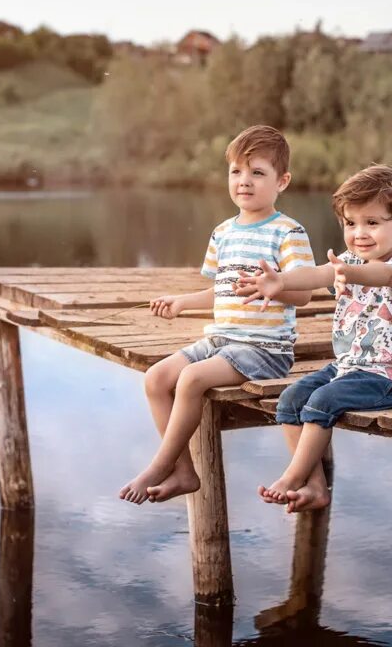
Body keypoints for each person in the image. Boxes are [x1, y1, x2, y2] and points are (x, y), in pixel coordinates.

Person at [119, 125, 316, 504]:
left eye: (257, 173)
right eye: (236, 172)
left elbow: (305, 294)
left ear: (282, 181)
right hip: (221, 341)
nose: (245, 181)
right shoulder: (223, 233)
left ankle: (158, 465)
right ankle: (183, 470)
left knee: (191, 378)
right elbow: (221, 290)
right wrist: (181, 302)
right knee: (156, 378)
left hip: (263, 348)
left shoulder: (288, 232)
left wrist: (273, 286)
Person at [233, 164, 392, 513]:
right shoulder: (349, 260)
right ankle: (316, 486)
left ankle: (292, 477)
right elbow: (316, 273)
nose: (360, 233)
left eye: (373, 222)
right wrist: (279, 281)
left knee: (322, 401)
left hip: (390, 377)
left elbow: (381, 275)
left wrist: (349, 272)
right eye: (351, 224)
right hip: (347, 368)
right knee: (291, 400)